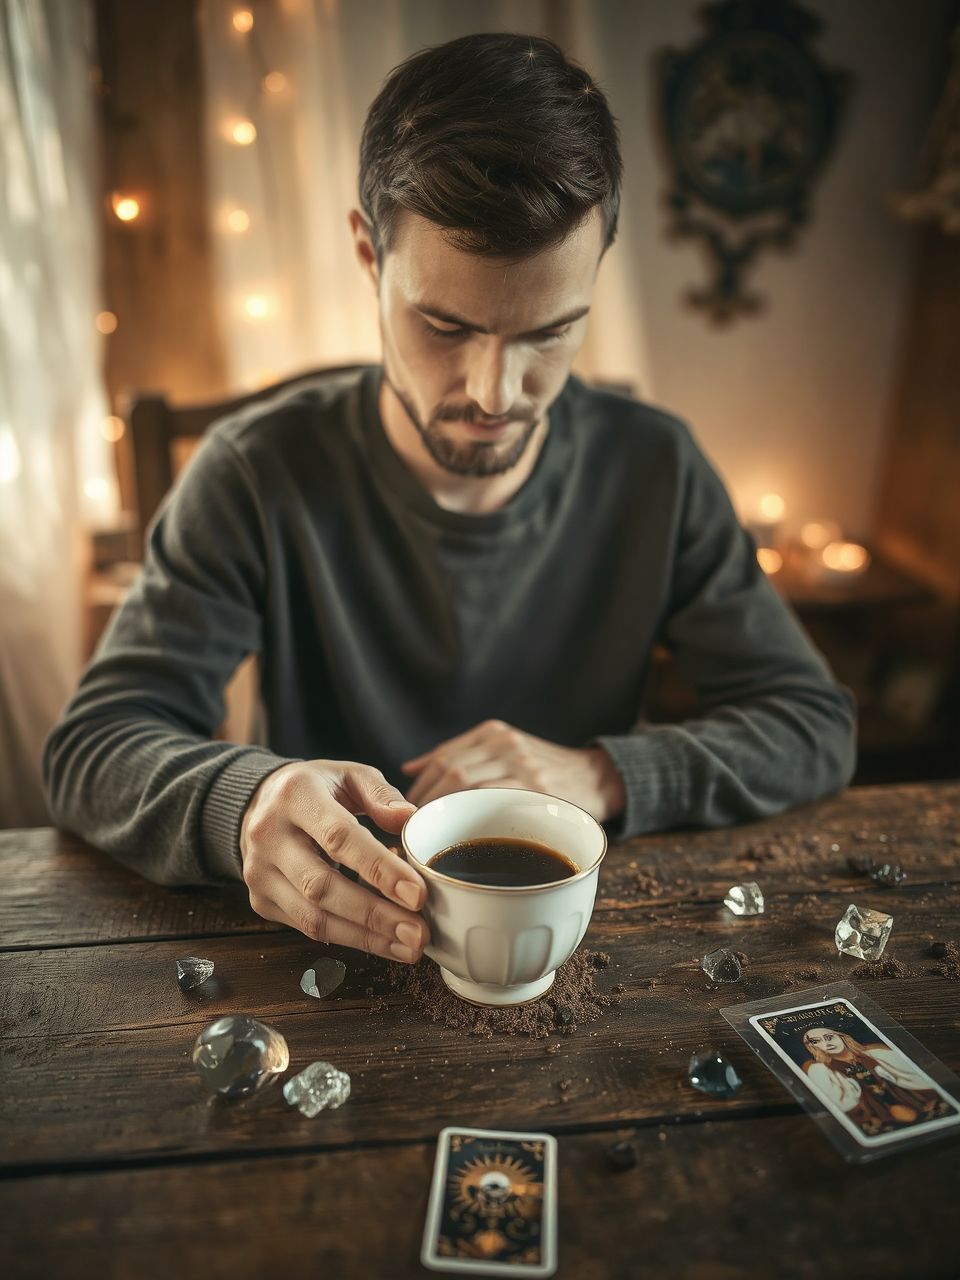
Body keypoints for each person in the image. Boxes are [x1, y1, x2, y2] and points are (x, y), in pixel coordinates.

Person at [43, 33, 855, 969]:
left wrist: (600, 774)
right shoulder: (255, 471)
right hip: (325, 960)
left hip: (586, 961)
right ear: (368, 254)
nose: (495, 394)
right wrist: (243, 804)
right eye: (444, 325)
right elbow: (93, 748)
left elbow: (812, 724)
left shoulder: (656, 469)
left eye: (549, 333)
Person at [800, 1027, 956, 1135]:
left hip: (913, 1100)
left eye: (829, 1037)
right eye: (816, 1041)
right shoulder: (824, 1070)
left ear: (841, 1036)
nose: (826, 1043)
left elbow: (909, 1076)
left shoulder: (875, 1052)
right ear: (812, 1047)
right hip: (875, 1114)